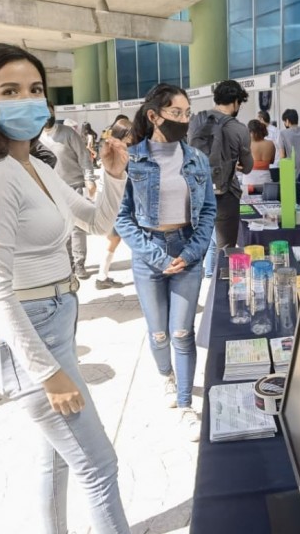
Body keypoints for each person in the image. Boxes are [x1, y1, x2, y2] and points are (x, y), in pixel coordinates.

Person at [0, 43, 130, 533]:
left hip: (57, 316)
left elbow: (96, 222)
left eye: (35, 89)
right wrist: (47, 372)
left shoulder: (34, 165)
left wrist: (112, 174)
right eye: (10, 90)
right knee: (98, 465)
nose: (27, 99)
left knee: (59, 460)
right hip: (32, 332)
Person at [116, 83, 216, 442]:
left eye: (188, 113)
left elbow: (207, 212)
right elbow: (122, 218)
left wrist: (190, 254)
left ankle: (186, 402)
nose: (184, 120)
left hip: (186, 247)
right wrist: (158, 256)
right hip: (148, 252)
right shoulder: (132, 158)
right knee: (158, 332)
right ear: (154, 115)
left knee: (181, 332)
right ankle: (165, 378)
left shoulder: (196, 159)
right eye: (177, 113)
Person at [189, 79, 252, 252]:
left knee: (197, 247)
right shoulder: (239, 128)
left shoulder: (196, 120)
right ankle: (221, 277)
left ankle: (199, 276)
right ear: (236, 102)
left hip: (197, 192)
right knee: (226, 249)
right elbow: (247, 167)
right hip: (226, 194)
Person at [40, 101, 97, 279]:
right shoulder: (36, 139)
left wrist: (89, 179)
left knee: (77, 228)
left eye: (50, 112)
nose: (47, 116)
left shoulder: (68, 134)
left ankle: (79, 264)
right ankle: (67, 264)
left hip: (74, 187)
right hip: (51, 190)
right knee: (60, 230)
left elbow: (84, 156)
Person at [96, 117, 134, 290]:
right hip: (121, 205)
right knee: (130, 240)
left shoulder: (112, 149)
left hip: (116, 204)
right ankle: (101, 277)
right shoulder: (120, 153)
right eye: (130, 135)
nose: (133, 138)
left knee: (114, 240)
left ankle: (101, 277)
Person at [242, 119, 275, 190]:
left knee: (247, 200)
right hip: (265, 178)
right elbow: (272, 161)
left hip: (249, 179)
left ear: (251, 132)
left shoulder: (246, 144)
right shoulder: (270, 144)